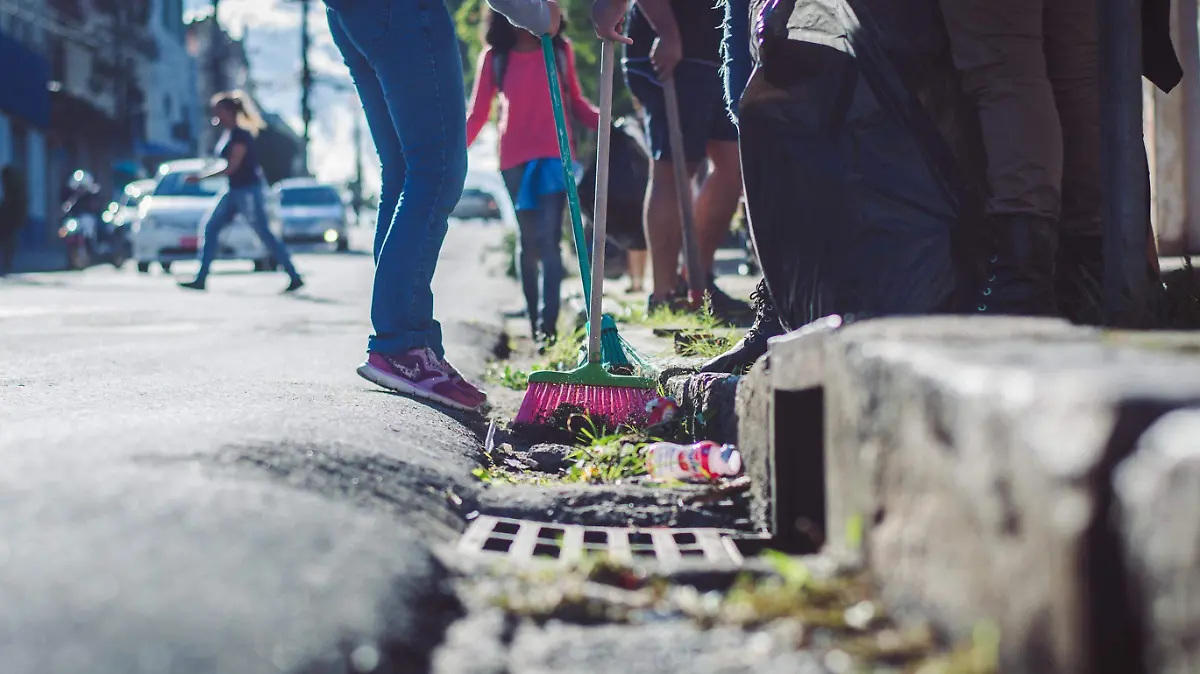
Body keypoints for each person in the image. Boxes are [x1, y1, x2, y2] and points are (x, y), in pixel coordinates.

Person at [325, 0, 560, 412]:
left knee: (403, 172)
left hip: (351, 14)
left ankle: (412, 346)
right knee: (436, 170)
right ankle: (402, 346)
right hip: (402, 12)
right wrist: (535, 13)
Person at [467, 9, 599, 349]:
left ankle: (548, 328)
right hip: (514, 161)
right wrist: (449, 152)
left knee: (550, 240)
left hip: (556, 156)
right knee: (529, 243)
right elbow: (479, 114)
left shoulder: (558, 50)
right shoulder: (496, 58)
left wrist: (608, 121)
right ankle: (533, 323)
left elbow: (578, 102)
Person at [618, 0, 750, 322]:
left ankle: (697, 282)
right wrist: (666, 31)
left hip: (720, 52)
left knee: (733, 169)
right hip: (668, 49)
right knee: (674, 169)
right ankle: (664, 295)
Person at [179, 92, 304, 293]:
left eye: (219, 110)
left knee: (263, 233)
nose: (215, 115)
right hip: (233, 190)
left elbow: (232, 167)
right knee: (211, 227)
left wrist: (201, 177)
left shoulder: (240, 135)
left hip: (247, 191)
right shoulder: (229, 133)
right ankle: (201, 278)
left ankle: (294, 275)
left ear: (229, 111)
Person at [0, 165, 28, 277]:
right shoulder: (11, 189)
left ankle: (6, 265)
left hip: (8, 221)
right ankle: (6, 265)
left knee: (8, 243)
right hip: (7, 220)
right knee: (8, 243)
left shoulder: (12, 190)